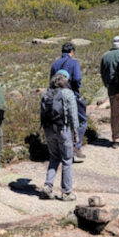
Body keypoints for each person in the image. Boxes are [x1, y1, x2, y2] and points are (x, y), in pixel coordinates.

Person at [40, 70, 80, 201]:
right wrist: (76, 134)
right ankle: (66, 192)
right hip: (64, 130)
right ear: (65, 80)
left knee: (54, 158)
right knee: (67, 160)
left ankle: (48, 186)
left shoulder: (46, 93)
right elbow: (74, 116)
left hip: (49, 130)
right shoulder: (68, 93)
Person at [50, 42, 87, 161]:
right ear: (71, 51)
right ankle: (76, 146)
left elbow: (51, 81)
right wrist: (77, 88)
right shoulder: (74, 62)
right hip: (72, 95)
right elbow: (77, 78)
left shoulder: (55, 64)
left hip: (56, 96)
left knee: (62, 122)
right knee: (81, 121)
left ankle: (63, 148)